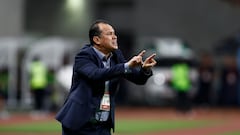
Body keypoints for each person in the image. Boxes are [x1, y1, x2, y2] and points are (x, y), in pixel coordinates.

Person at [55, 20, 157, 135]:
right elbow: (96, 75)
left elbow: (137, 79)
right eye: (109, 34)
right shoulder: (84, 56)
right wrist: (126, 65)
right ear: (97, 40)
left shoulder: (116, 56)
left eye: (114, 34)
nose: (114, 37)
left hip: (103, 123)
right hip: (80, 122)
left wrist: (145, 69)